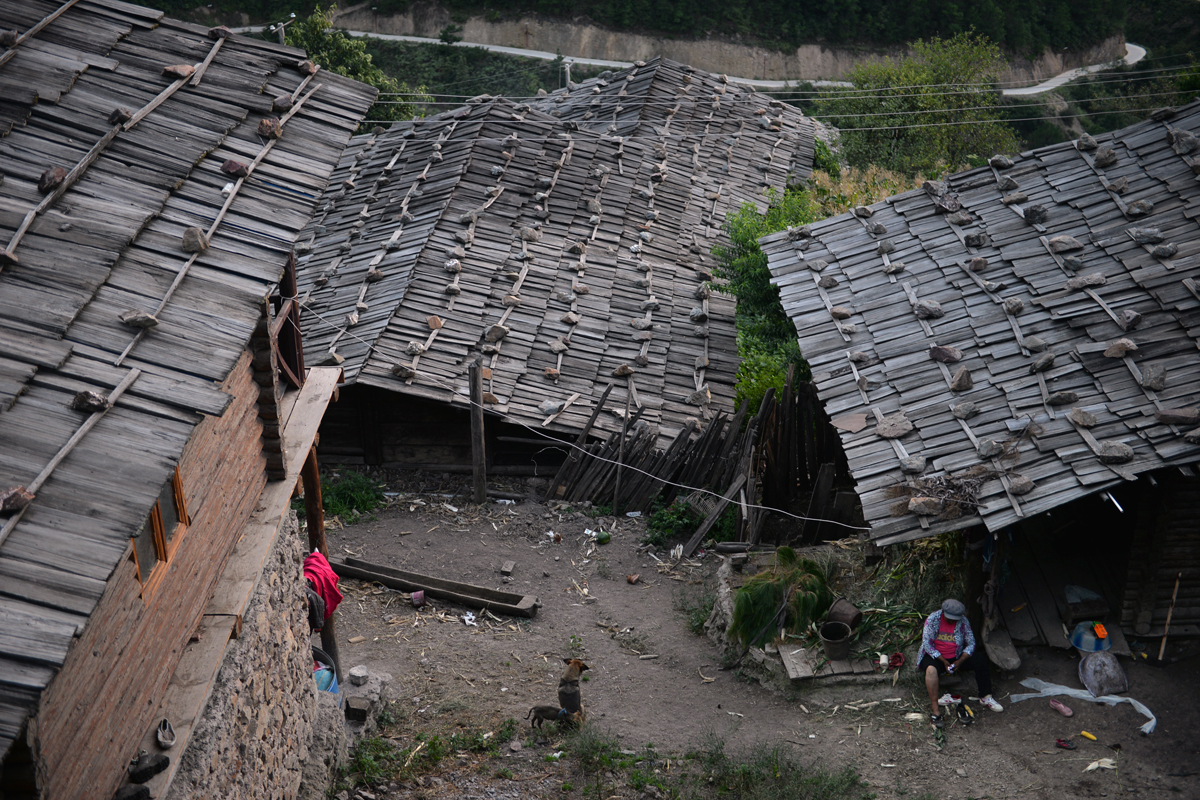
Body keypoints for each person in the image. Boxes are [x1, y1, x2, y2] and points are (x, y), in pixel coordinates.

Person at [920, 599, 1003, 728]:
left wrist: (961, 660)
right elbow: (927, 644)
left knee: (980, 660)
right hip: (936, 656)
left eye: (955, 619)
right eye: (949, 619)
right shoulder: (933, 619)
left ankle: (985, 696)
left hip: (956, 656)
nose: (952, 622)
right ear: (943, 613)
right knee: (931, 670)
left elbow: (971, 643)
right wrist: (943, 660)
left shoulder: (963, 622)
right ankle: (936, 710)